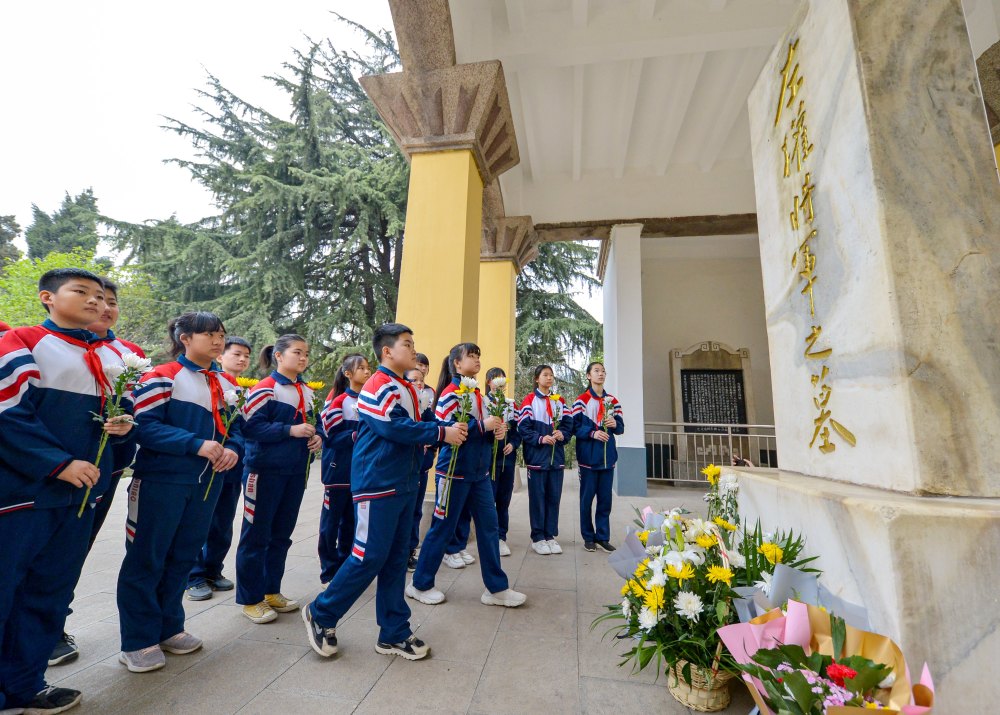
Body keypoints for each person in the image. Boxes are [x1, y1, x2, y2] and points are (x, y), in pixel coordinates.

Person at [0, 268, 135, 714]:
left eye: (101, 296)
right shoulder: (21, 343)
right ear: (47, 297)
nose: (97, 302)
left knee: (50, 592)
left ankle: (24, 686)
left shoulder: (108, 357)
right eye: (83, 293)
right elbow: (8, 415)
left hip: (79, 497)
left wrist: (121, 427)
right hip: (23, 495)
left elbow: (122, 416)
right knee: (7, 589)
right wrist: (58, 463)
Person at [302, 324, 466, 661]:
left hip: (403, 482)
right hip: (377, 483)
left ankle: (393, 632)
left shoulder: (405, 385)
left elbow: (417, 424)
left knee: (394, 558)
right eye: (407, 344)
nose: (413, 350)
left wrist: (446, 426)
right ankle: (321, 612)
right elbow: (392, 426)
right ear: (387, 351)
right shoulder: (379, 384)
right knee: (368, 555)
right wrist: (441, 432)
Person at [117, 311, 242, 673]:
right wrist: (194, 444)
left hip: (207, 484)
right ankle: (138, 639)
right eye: (208, 334)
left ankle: (170, 627)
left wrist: (232, 448)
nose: (218, 341)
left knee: (183, 556)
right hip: (161, 481)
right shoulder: (162, 376)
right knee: (146, 557)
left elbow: (236, 429)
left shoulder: (225, 382)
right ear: (184, 337)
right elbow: (142, 426)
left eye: (221, 334)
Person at [51, 277, 148, 668]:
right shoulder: (42, 346)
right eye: (94, 298)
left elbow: (139, 411)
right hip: (50, 469)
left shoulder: (129, 354)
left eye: (110, 300)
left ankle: (54, 624)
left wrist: (125, 430)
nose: (103, 306)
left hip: (105, 469)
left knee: (76, 547)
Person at [405, 343, 526, 609]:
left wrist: (496, 431)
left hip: (479, 474)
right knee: (442, 528)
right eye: (471, 356)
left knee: (489, 527)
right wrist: (482, 425)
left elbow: (481, 429)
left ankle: (496, 588)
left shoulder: (480, 396)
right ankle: (420, 584)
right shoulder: (451, 393)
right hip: (453, 473)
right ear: (457, 364)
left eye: (478, 356)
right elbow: (445, 427)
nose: (477, 360)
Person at [235, 335, 323, 623]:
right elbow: (249, 427)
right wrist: (290, 430)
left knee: (281, 535)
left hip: (295, 471)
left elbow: (315, 425)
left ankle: (271, 590)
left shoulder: (306, 391)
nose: (302, 358)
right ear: (279, 356)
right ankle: (250, 599)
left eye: (306, 353)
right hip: (264, 472)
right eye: (297, 352)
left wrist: (317, 438)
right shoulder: (265, 389)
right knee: (256, 535)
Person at [186, 335, 253, 601]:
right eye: (236, 354)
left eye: (246, 355)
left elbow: (242, 427)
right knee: (199, 521)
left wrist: (235, 450)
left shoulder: (245, 387)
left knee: (223, 522)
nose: (242, 359)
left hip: (233, 463)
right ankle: (193, 576)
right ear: (220, 356)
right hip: (204, 462)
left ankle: (213, 569)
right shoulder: (206, 381)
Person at [317, 353, 370, 585]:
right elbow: (330, 438)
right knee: (330, 524)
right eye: (362, 369)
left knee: (352, 523)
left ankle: (346, 569)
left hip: (361, 475)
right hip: (337, 473)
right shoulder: (338, 402)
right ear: (348, 374)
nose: (367, 372)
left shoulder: (370, 401)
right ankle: (328, 572)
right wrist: (356, 435)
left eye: (369, 368)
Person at [518, 365, 573, 555]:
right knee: (537, 499)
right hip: (537, 459)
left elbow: (569, 425)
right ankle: (538, 537)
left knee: (553, 498)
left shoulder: (559, 401)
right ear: (536, 379)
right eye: (545, 375)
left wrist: (562, 433)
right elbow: (523, 428)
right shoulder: (529, 401)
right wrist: (540, 439)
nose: (549, 378)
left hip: (555, 458)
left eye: (551, 375)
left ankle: (550, 535)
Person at [573, 361, 625, 553]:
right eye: (596, 371)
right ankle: (588, 537)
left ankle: (603, 537)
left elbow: (620, 428)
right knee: (586, 500)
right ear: (588, 376)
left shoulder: (613, 401)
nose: (601, 374)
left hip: (608, 460)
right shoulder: (581, 401)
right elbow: (574, 427)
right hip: (588, 460)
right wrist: (592, 433)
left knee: (605, 501)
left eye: (603, 371)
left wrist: (614, 424)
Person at [484, 367, 521, 557]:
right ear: (489, 381)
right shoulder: (482, 403)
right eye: (496, 379)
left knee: (503, 501)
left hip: (507, 461)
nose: (500, 384)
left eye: (503, 380)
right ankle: (489, 538)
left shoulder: (511, 404)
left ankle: (501, 537)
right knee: (488, 501)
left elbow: (517, 433)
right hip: (489, 462)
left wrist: (513, 444)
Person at [404, 366, 436, 572]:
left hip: (421, 469)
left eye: (422, 381)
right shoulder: (401, 405)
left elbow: (435, 428)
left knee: (416, 512)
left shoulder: (425, 408)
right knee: (402, 513)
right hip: (403, 471)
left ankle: (409, 553)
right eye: (414, 380)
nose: (419, 384)